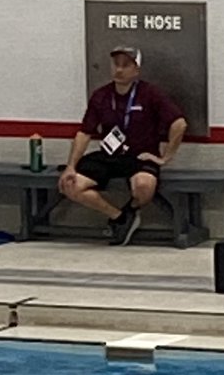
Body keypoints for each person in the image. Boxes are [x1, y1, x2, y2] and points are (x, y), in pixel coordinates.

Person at [58, 47, 187, 246]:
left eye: (125, 65)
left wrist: (165, 157)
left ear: (136, 70)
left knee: (144, 187)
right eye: (116, 65)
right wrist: (71, 166)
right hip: (110, 155)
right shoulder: (101, 96)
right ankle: (119, 217)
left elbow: (179, 124)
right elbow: (84, 132)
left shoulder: (150, 94)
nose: (119, 70)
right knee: (70, 185)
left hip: (140, 156)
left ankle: (131, 210)